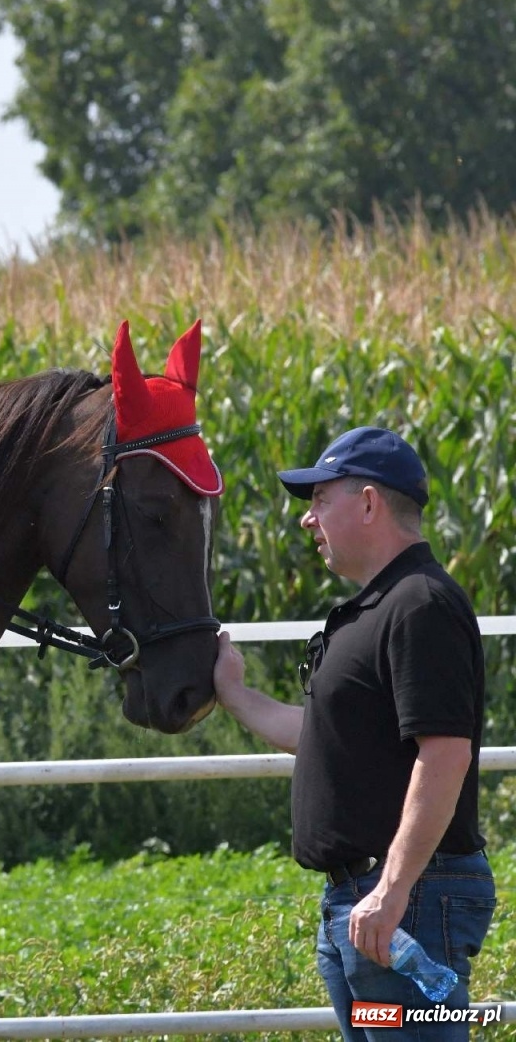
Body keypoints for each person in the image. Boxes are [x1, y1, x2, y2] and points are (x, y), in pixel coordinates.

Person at [212, 426, 495, 1040]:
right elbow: (325, 735)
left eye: (319, 499)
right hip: (371, 904)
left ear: (368, 503)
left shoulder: (420, 605)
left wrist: (392, 891)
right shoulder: (381, 607)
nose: (307, 519)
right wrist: (236, 695)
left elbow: (445, 754)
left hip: (405, 904)